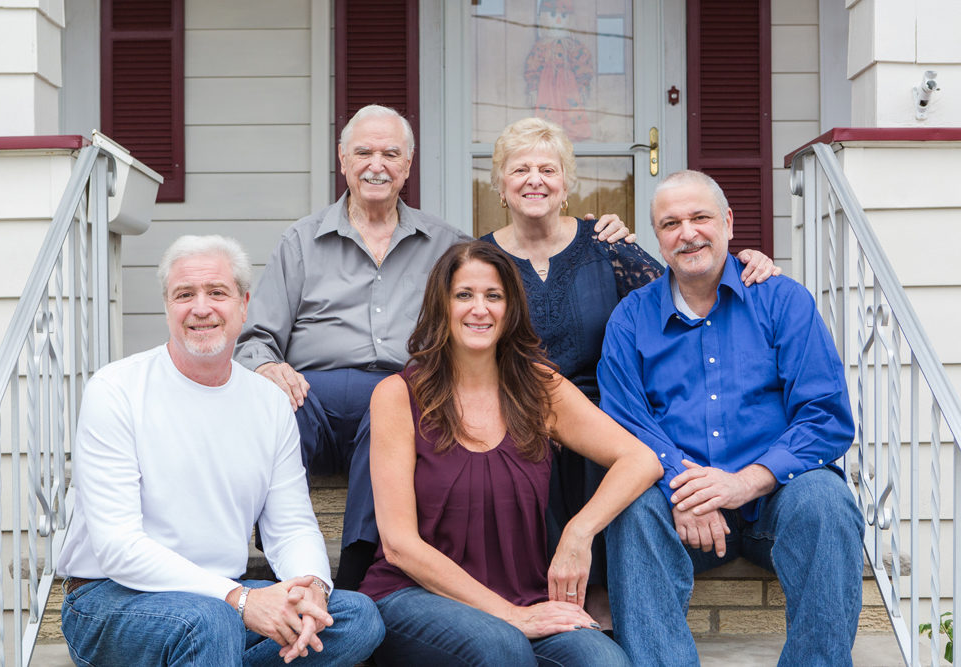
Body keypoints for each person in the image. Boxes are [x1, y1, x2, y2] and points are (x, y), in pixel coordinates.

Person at [234, 104, 632, 589]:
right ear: (343, 160)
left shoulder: (445, 243)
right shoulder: (300, 241)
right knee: (275, 412)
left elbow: (488, 302)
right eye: (363, 152)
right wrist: (267, 367)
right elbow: (256, 339)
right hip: (313, 394)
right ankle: (283, 572)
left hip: (409, 393)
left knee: (389, 409)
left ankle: (359, 579)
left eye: (390, 154)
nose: (376, 164)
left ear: (408, 166)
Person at [480, 116, 779, 623]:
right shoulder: (482, 258)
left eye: (548, 169)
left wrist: (747, 258)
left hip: (606, 405)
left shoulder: (607, 245)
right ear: (500, 185)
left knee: (609, 442)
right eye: (520, 169)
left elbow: (685, 285)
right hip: (518, 406)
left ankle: (603, 594)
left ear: (567, 183)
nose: (535, 179)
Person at [56, 235, 384, 666]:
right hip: (111, 598)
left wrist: (312, 589)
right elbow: (119, 547)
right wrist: (242, 599)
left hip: (221, 597)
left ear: (244, 305)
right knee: (210, 623)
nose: (201, 307)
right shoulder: (117, 390)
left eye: (217, 293)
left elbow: (290, 526)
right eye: (184, 295)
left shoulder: (268, 403)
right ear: (167, 306)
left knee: (355, 617)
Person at [597, 171, 863, 666]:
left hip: (777, 503)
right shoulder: (631, 319)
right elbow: (625, 422)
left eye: (700, 217)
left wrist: (744, 484)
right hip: (682, 512)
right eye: (671, 223)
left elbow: (824, 416)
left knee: (827, 499)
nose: (688, 233)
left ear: (729, 222)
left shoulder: (783, 300)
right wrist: (684, 485)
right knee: (631, 512)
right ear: (657, 237)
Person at [357, 241, 663, 665]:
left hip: (526, 597)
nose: (479, 309)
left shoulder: (538, 388)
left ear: (511, 307)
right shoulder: (397, 395)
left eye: (493, 296)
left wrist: (579, 532)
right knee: (502, 647)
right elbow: (399, 545)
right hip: (414, 596)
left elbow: (640, 460)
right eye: (464, 295)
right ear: (441, 305)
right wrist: (510, 616)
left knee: (604, 660)